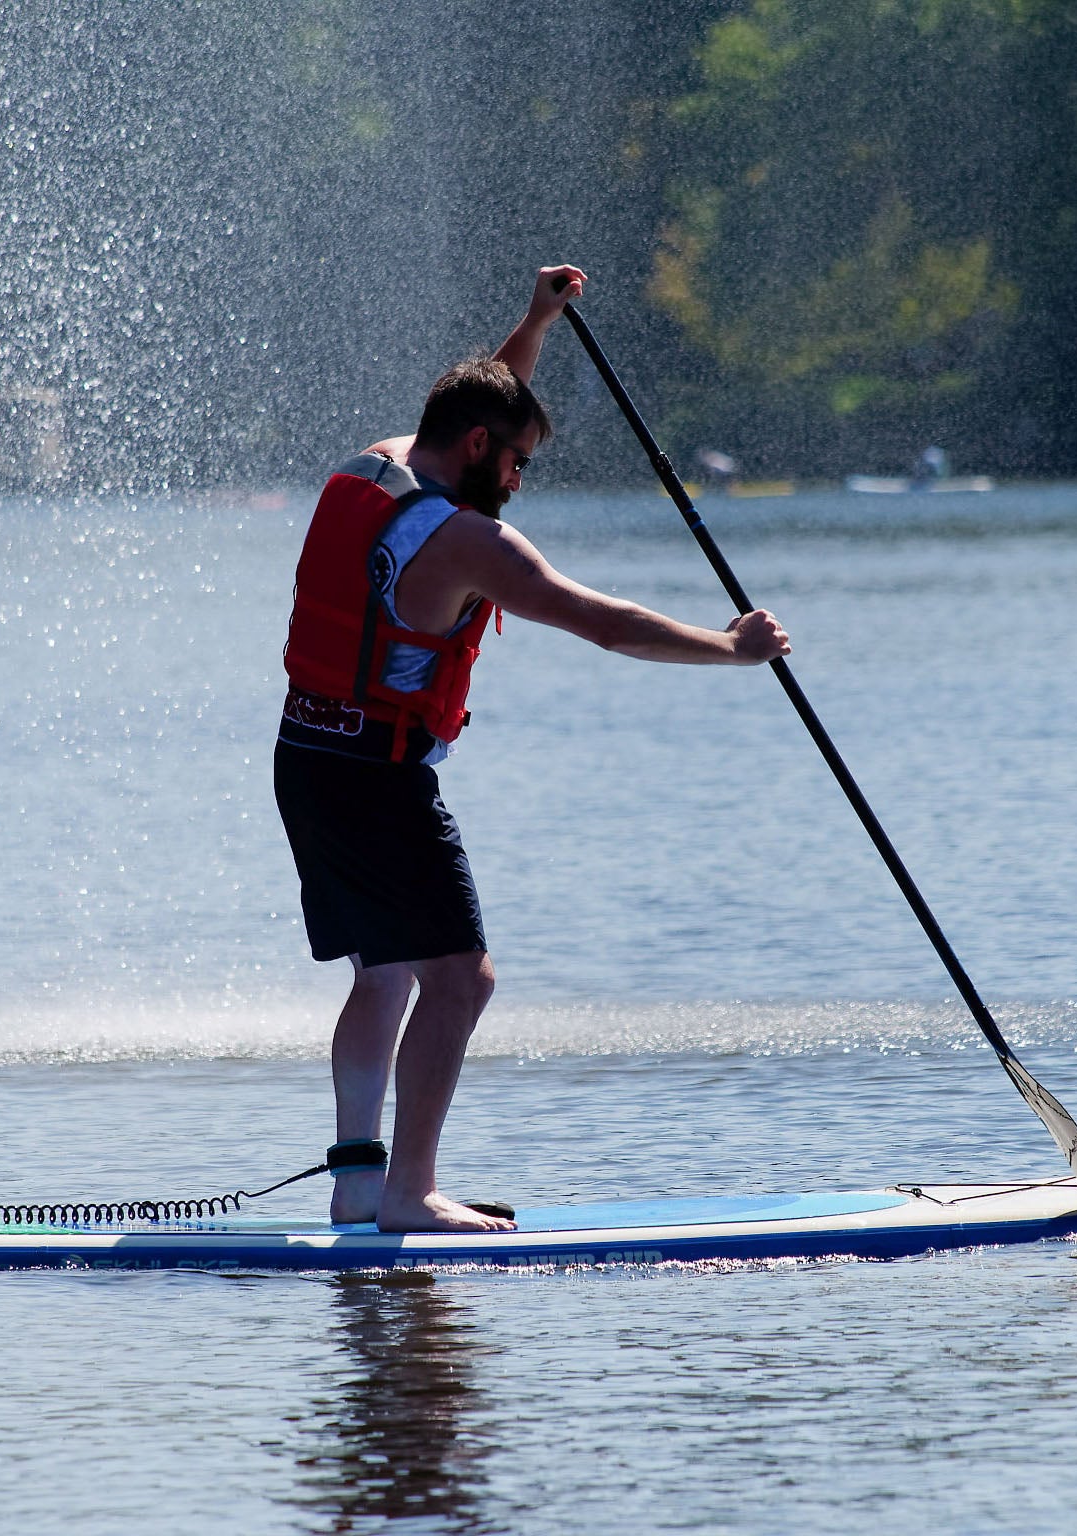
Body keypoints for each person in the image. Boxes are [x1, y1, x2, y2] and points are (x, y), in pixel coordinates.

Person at [275, 264, 791, 1234]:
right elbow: (604, 622)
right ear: (477, 448)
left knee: (385, 973)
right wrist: (732, 648)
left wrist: (535, 326)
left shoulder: (373, 465)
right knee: (461, 980)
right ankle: (409, 1195)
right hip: (379, 781)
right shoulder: (474, 545)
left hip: (306, 758)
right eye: (516, 463)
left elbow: (479, 404)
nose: (517, 482)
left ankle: (358, 1179)